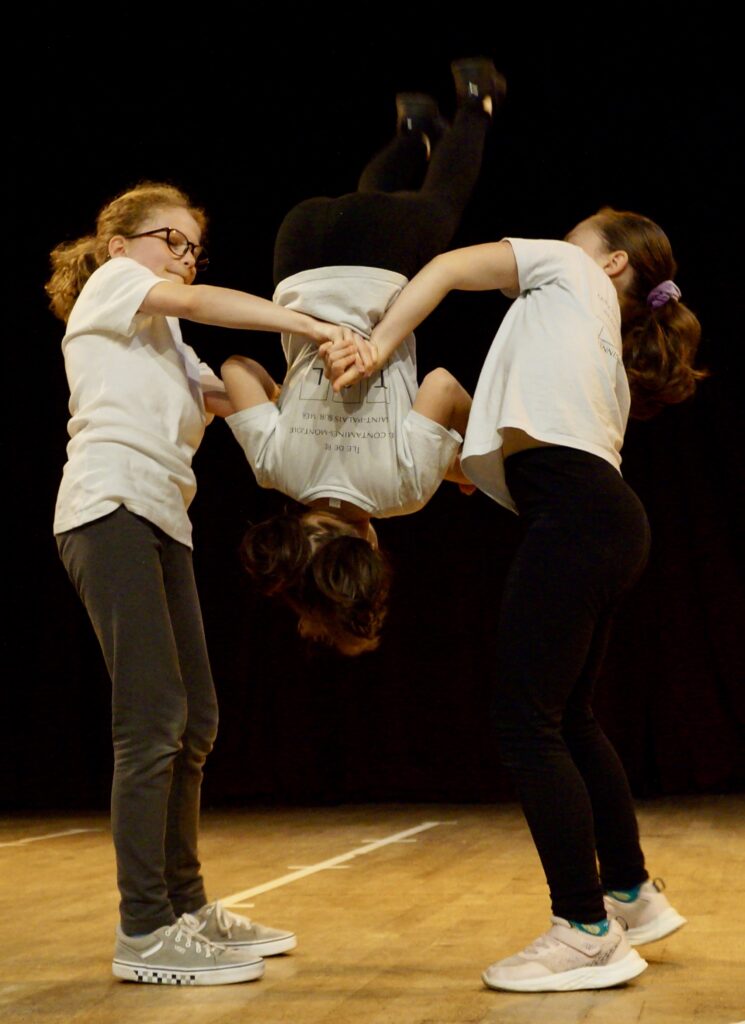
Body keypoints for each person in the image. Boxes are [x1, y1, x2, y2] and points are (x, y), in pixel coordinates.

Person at [324, 206, 703, 991]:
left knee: (525, 722)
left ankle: (585, 930)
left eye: (576, 232)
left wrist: (373, 345)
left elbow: (444, 270)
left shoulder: (564, 273)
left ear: (608, 264)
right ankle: (627, 894)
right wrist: (446, 461)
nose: (558, 240)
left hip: (578, 518)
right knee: (565, 717)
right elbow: (505, 461)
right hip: (600, 518)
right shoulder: (584, 339)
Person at [46, 181, 359, 985]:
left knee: (197, 721)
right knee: (151, 719)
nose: (182, 258)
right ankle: (143, 927)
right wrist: (305, 322)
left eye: (192, 247)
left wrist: (337, 408)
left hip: (160, 518)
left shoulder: (164, 340)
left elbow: (233, 390)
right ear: (120, 245)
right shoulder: (113, 288)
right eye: (169, 241)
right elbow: (223, 309)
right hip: (107, 506)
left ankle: (184, 906)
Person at [221, 57, 504, 655]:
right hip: (298, 247)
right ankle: (413, 129)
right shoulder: (276, 469)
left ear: (371, 550)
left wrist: (476, 449)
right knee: (370, 200)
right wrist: (285, 399)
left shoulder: (403, 492)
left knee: (442, 206)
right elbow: (235, 369)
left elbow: (445, 386)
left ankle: (477, 97)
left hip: (382, 258)